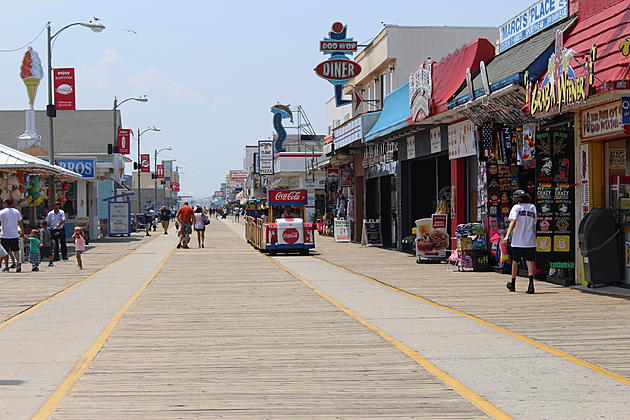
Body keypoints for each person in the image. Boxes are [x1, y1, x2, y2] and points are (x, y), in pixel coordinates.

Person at [503, 190, 537, 294]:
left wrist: (507, 236)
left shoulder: (516, 207)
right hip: (530, 240)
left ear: (518, 199)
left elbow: (513, 222)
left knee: (515, 261)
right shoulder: (532, 207)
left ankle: (513, 284)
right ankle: (531, 285)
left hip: (517, 240)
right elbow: (534, 223)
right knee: (529, 261)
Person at [0, 199, 26, 272]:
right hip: (14, 234)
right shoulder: (16, 211)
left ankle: (6, 267)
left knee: (5, 252)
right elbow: (20, 222)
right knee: (15, 250)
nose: (3, 204)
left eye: (3, 203)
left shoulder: (2, 212)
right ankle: (18, 262)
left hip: (5, 235)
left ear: (6, 204)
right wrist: (22, 232)